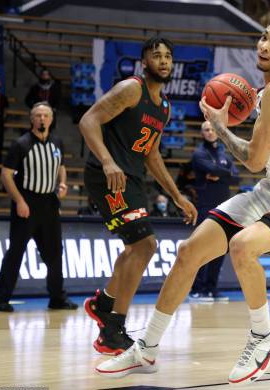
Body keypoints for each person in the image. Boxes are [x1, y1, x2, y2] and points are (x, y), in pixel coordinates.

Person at [96, 15, 270, 384]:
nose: (265, 46)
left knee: (241, 246)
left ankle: (264, 336)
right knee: (190, 252)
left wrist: (220, 127)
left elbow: (254, 160)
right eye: (264, 38)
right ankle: (147, 348)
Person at [79, 37, 197, 356]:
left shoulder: (165, 107)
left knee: (136, 246)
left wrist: (176, 196)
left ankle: (104, 303)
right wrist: (107, 161)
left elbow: (153, 155)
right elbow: (88, 120)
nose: (163, 60)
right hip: (107, 176)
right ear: (144, 63)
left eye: (168, 56)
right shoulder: (131, 89)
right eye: (156, 56)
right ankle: (112, 329)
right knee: (144, 245)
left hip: (132, 178)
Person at [0, 102, 77, 312]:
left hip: (49, 203)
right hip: (27, 202)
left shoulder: (57, 142)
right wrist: (19, 201)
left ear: (51, 119)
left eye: (45, 115)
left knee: (55, 253)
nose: (41, 119)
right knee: (16, 252)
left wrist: (63, 183)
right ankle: (1, 299)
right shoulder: (21, 144)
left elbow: (62, 167)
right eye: (37, 115)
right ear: (32, 119)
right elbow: (5, 174)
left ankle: (57, 298)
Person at [189, 121, 238, 300]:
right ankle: (197, 289)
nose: (210, 132)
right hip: (205, 207)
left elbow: (236, 179)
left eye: (212, 129)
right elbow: (214, 169)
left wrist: (220, 174)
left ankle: (212, 288)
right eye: (206, 130)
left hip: (224, 208)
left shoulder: (224, 154)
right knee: (202, 247)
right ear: (202, 133)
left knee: (221, 248)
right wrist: (223, 173)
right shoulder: (199, 153)